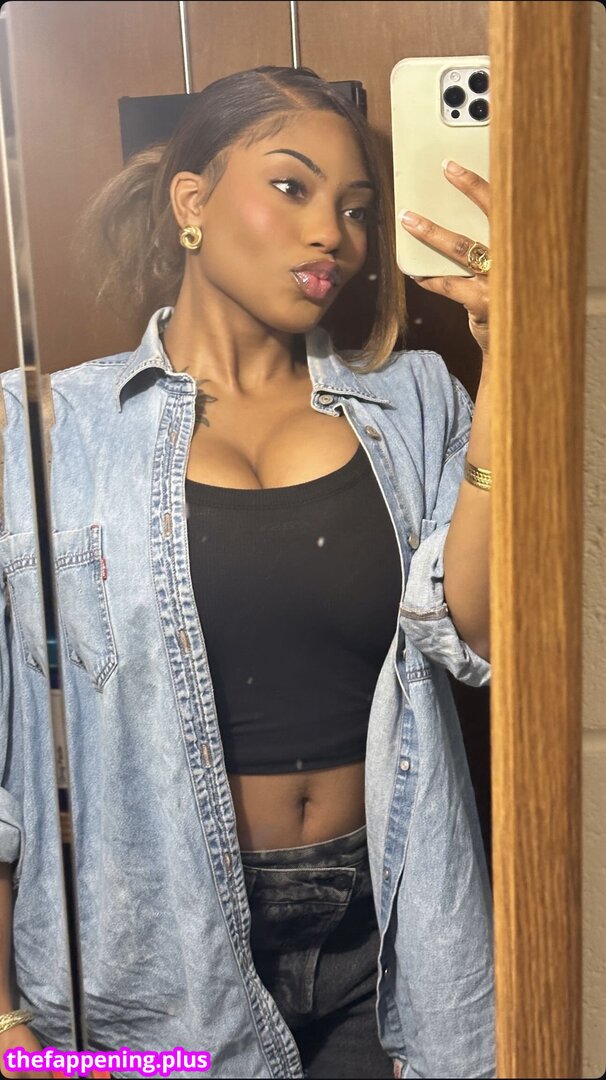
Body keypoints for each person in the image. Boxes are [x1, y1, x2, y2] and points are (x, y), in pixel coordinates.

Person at [0, 66, 494, 1079]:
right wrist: (6, 1028)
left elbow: (474, 631)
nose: (332, 234)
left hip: (392, 939)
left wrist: (513, 358)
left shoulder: (418, 399)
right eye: (290, 187)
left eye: (356, 209)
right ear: (192, 200)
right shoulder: (41, 430)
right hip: (157, 973)